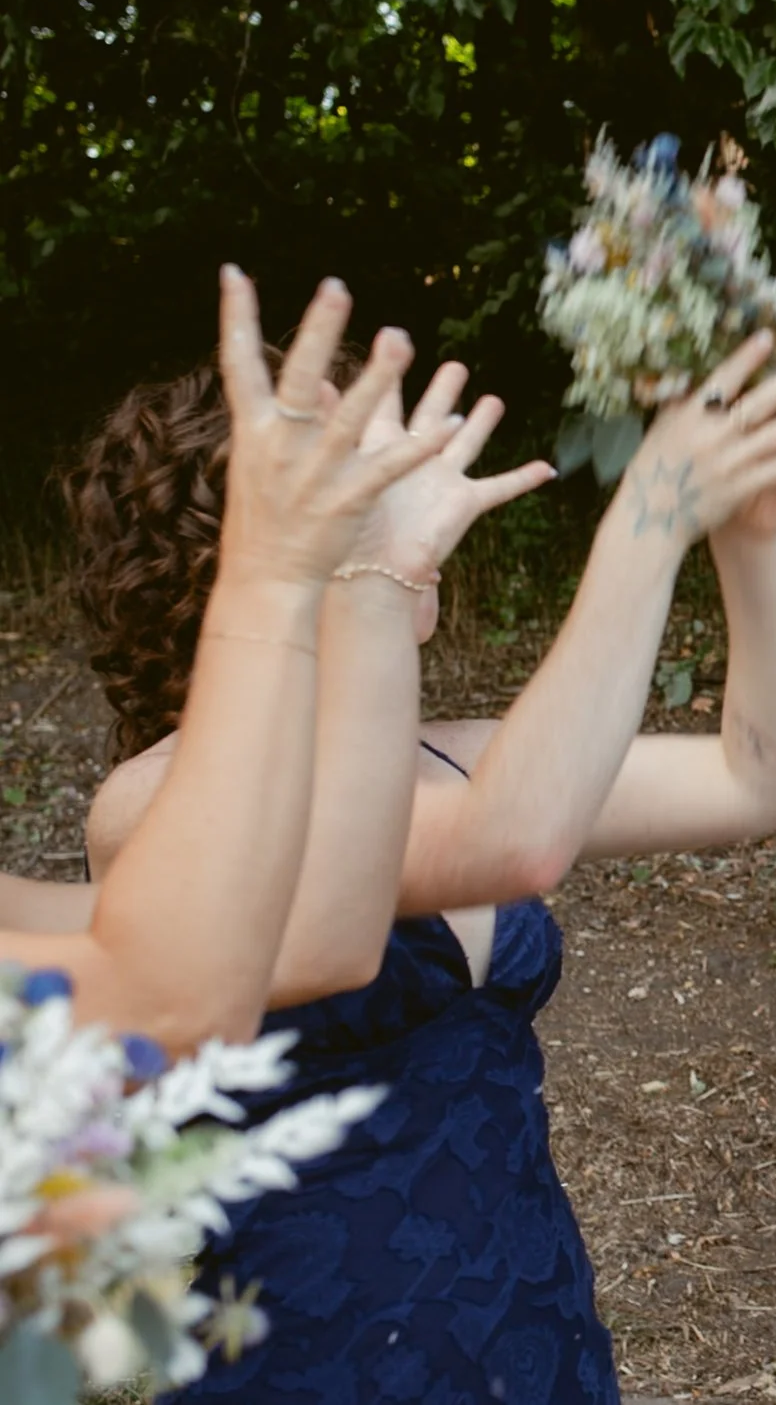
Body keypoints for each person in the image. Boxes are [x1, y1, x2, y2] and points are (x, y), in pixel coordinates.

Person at [63, 326, 776, 1405]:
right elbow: (516, 839)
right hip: (321, 1354)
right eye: (386, 472)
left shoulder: (449, 753)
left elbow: (761, 780)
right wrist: (649, 510)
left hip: (531, 1328)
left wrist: (748, 537)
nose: (434, 492)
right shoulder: (156, 801)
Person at [0, 265, 451, 1048]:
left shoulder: (447, 753)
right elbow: (335, 941)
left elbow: (541, 830)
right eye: (371, 483)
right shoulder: (144, 804)